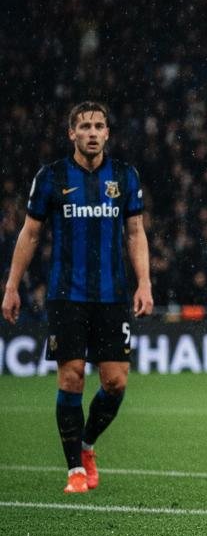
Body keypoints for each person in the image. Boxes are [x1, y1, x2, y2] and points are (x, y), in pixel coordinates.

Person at [2, 101, 153, 493]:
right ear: (72, 133)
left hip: (112, 295)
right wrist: (11, 285)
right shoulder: (51, 177)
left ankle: (87, 446)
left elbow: (135, 233)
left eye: (98, 126)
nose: (91, 132)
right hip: (66, 295)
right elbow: (30, 234)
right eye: (84, 126)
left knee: (116, 382)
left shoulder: (125, 175)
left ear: (107, 133)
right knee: (71, 379)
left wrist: (145, 283)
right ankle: (74, 471)